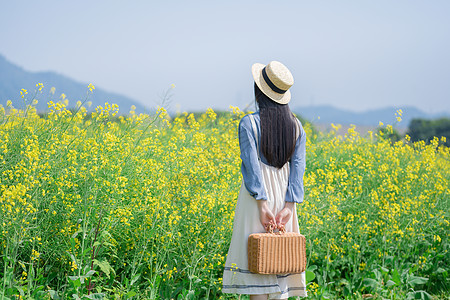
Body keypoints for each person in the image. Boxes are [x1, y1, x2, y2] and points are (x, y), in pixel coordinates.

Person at [222, 61, 307, 299]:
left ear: (259, 90)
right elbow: (298, 168)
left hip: (256, 198)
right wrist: (290, 206)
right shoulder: (297, 127)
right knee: (279, 260)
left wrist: (262, 204)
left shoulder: (248, 123)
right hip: (284, 196)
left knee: (258, 262)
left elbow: (252, 167)